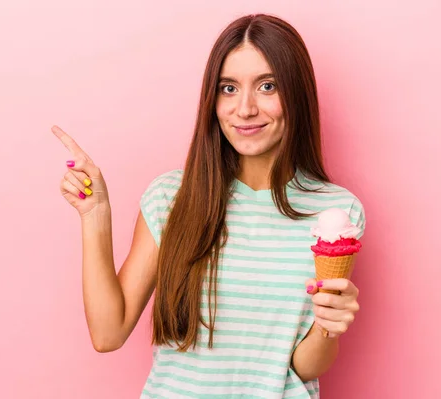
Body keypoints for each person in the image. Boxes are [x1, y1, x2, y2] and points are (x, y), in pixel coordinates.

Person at [53, 13, 365, 399]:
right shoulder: (171, 197)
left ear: (296, 93)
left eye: (267, 86)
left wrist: (327, 325)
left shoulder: (336, 212)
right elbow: (107, 333)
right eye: (228, 88)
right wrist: (95, 214)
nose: (245, 109)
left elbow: (301, 367)